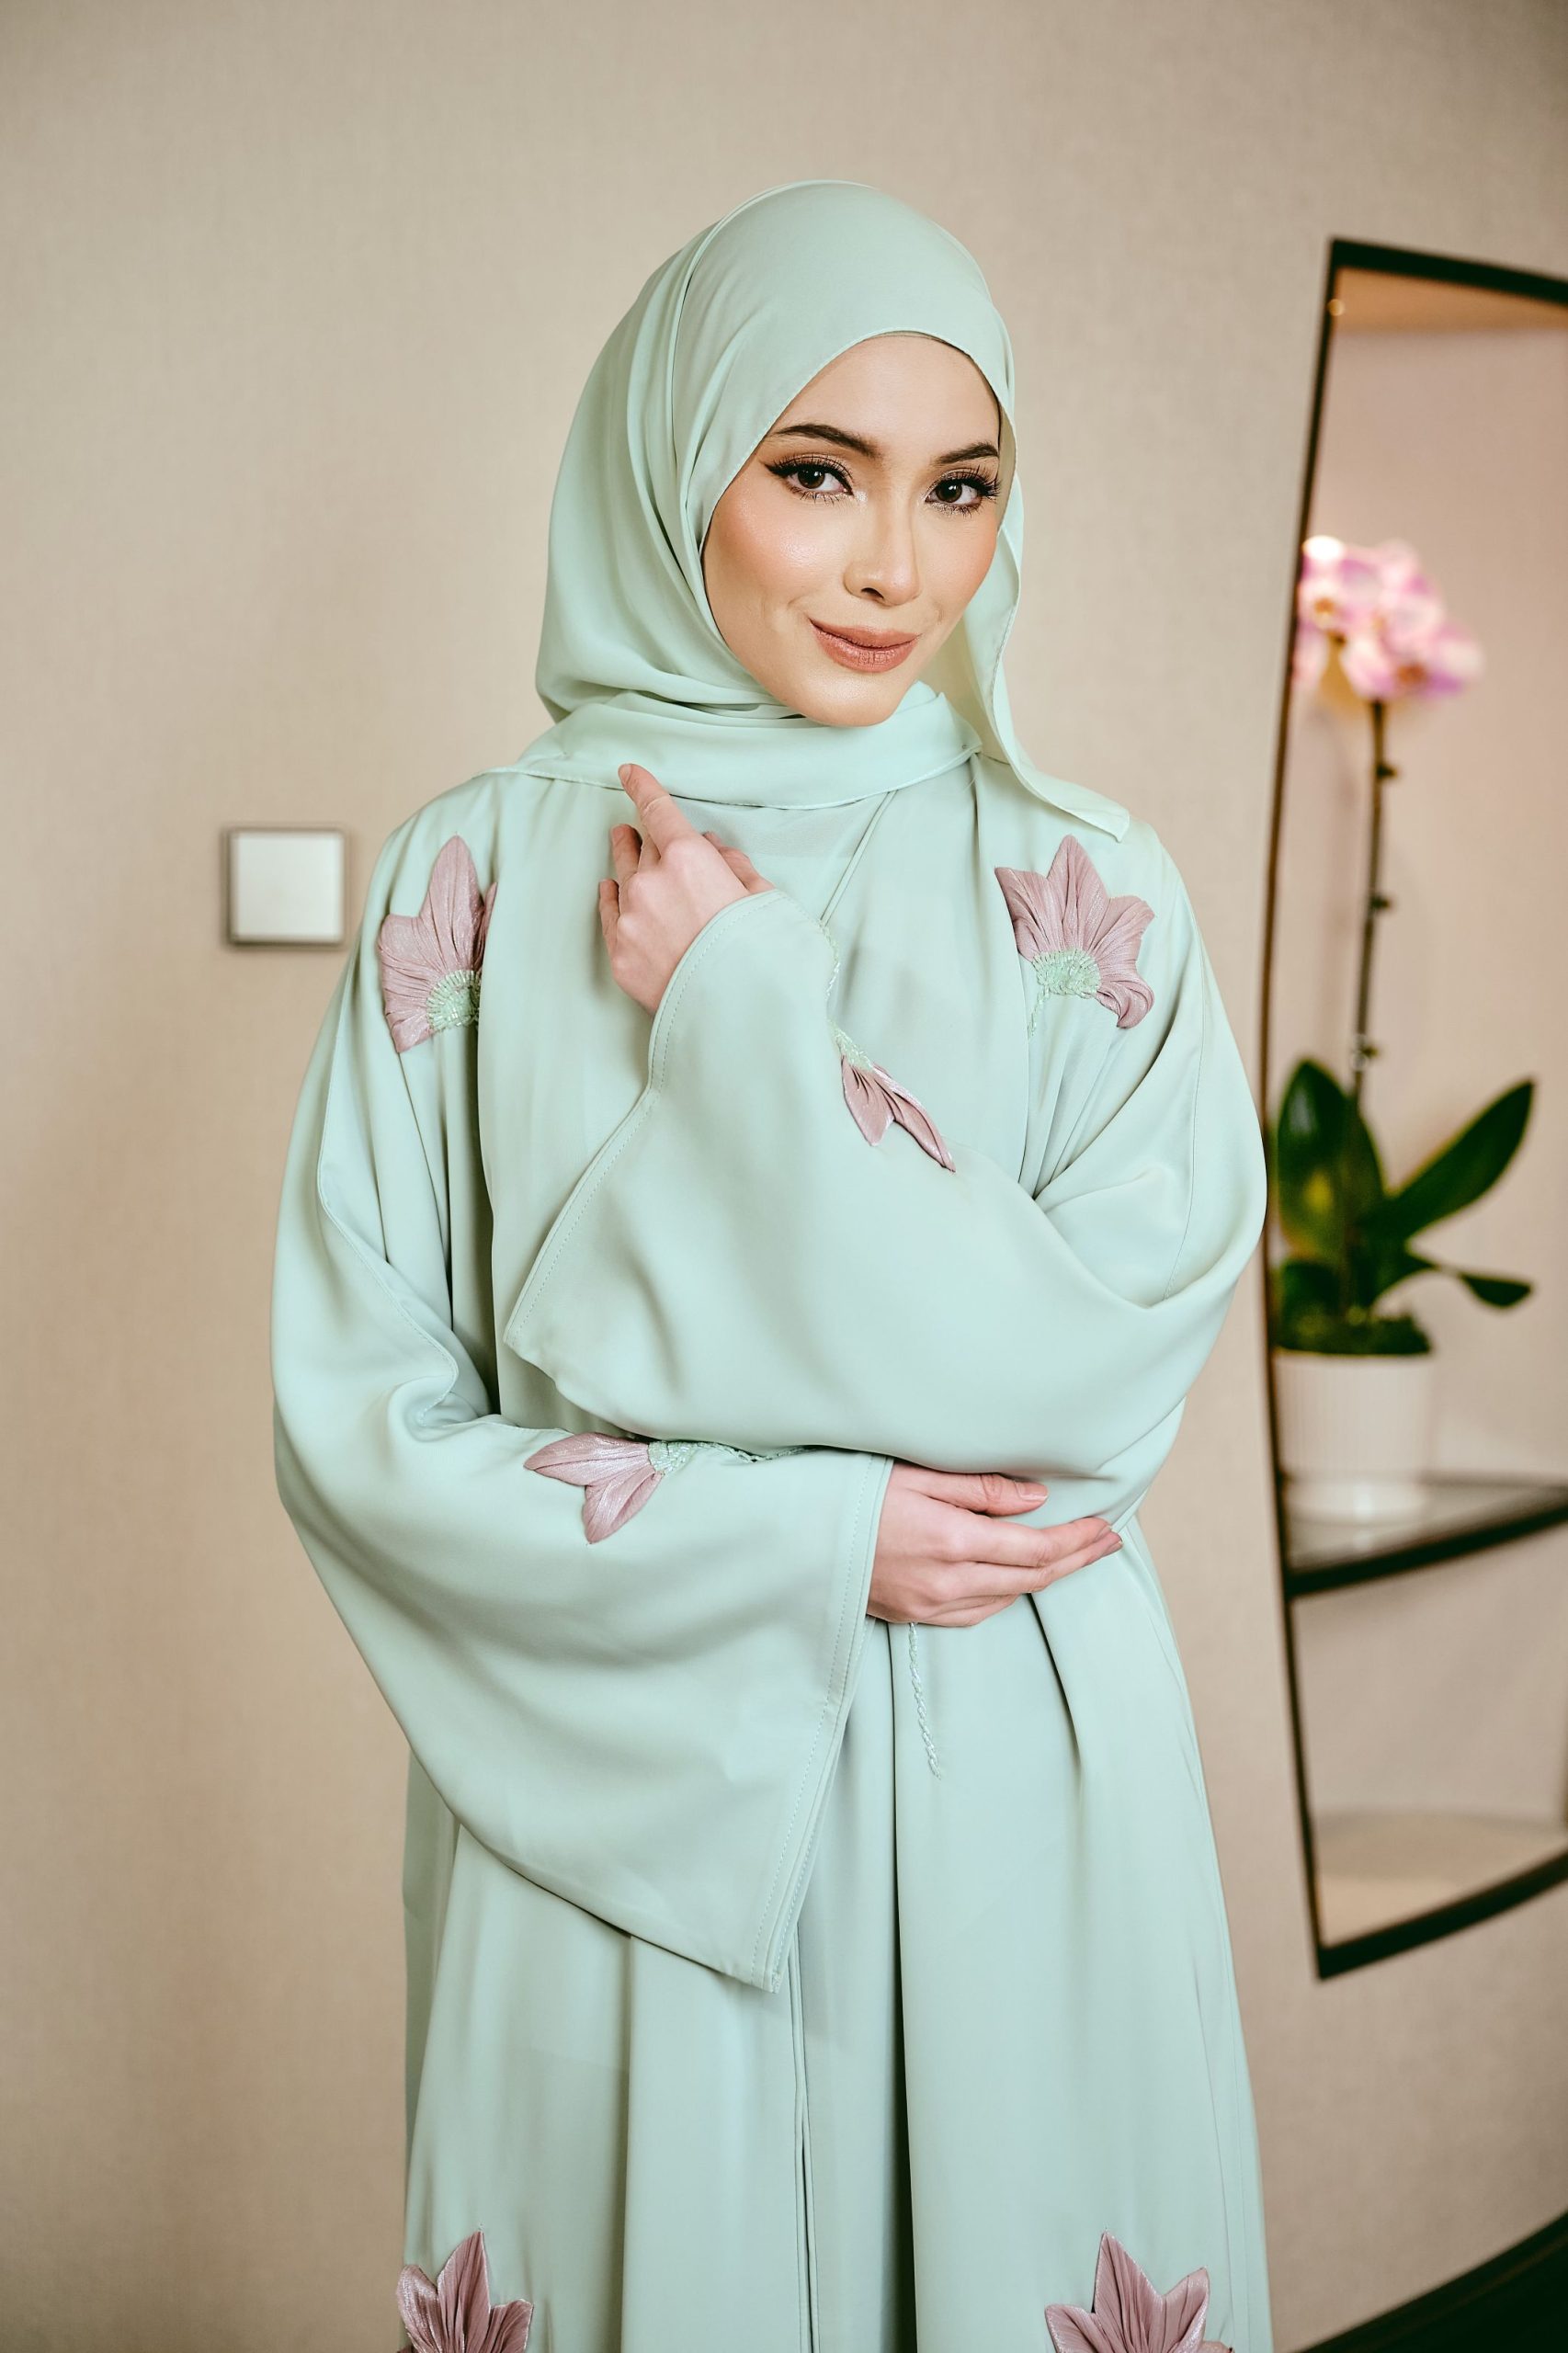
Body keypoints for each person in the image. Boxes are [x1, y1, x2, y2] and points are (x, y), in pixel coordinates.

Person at [270, 177, 1274, 2353]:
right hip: (617, 1800)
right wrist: (817, 1537)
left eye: (959, 487)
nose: (898, 565)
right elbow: (363, 1422)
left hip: (1006, 1774)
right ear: (674, 468)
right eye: (816, 472)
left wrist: (743, 1008)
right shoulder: (476, 876)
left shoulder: (1085, 889)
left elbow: (1085, 1380)